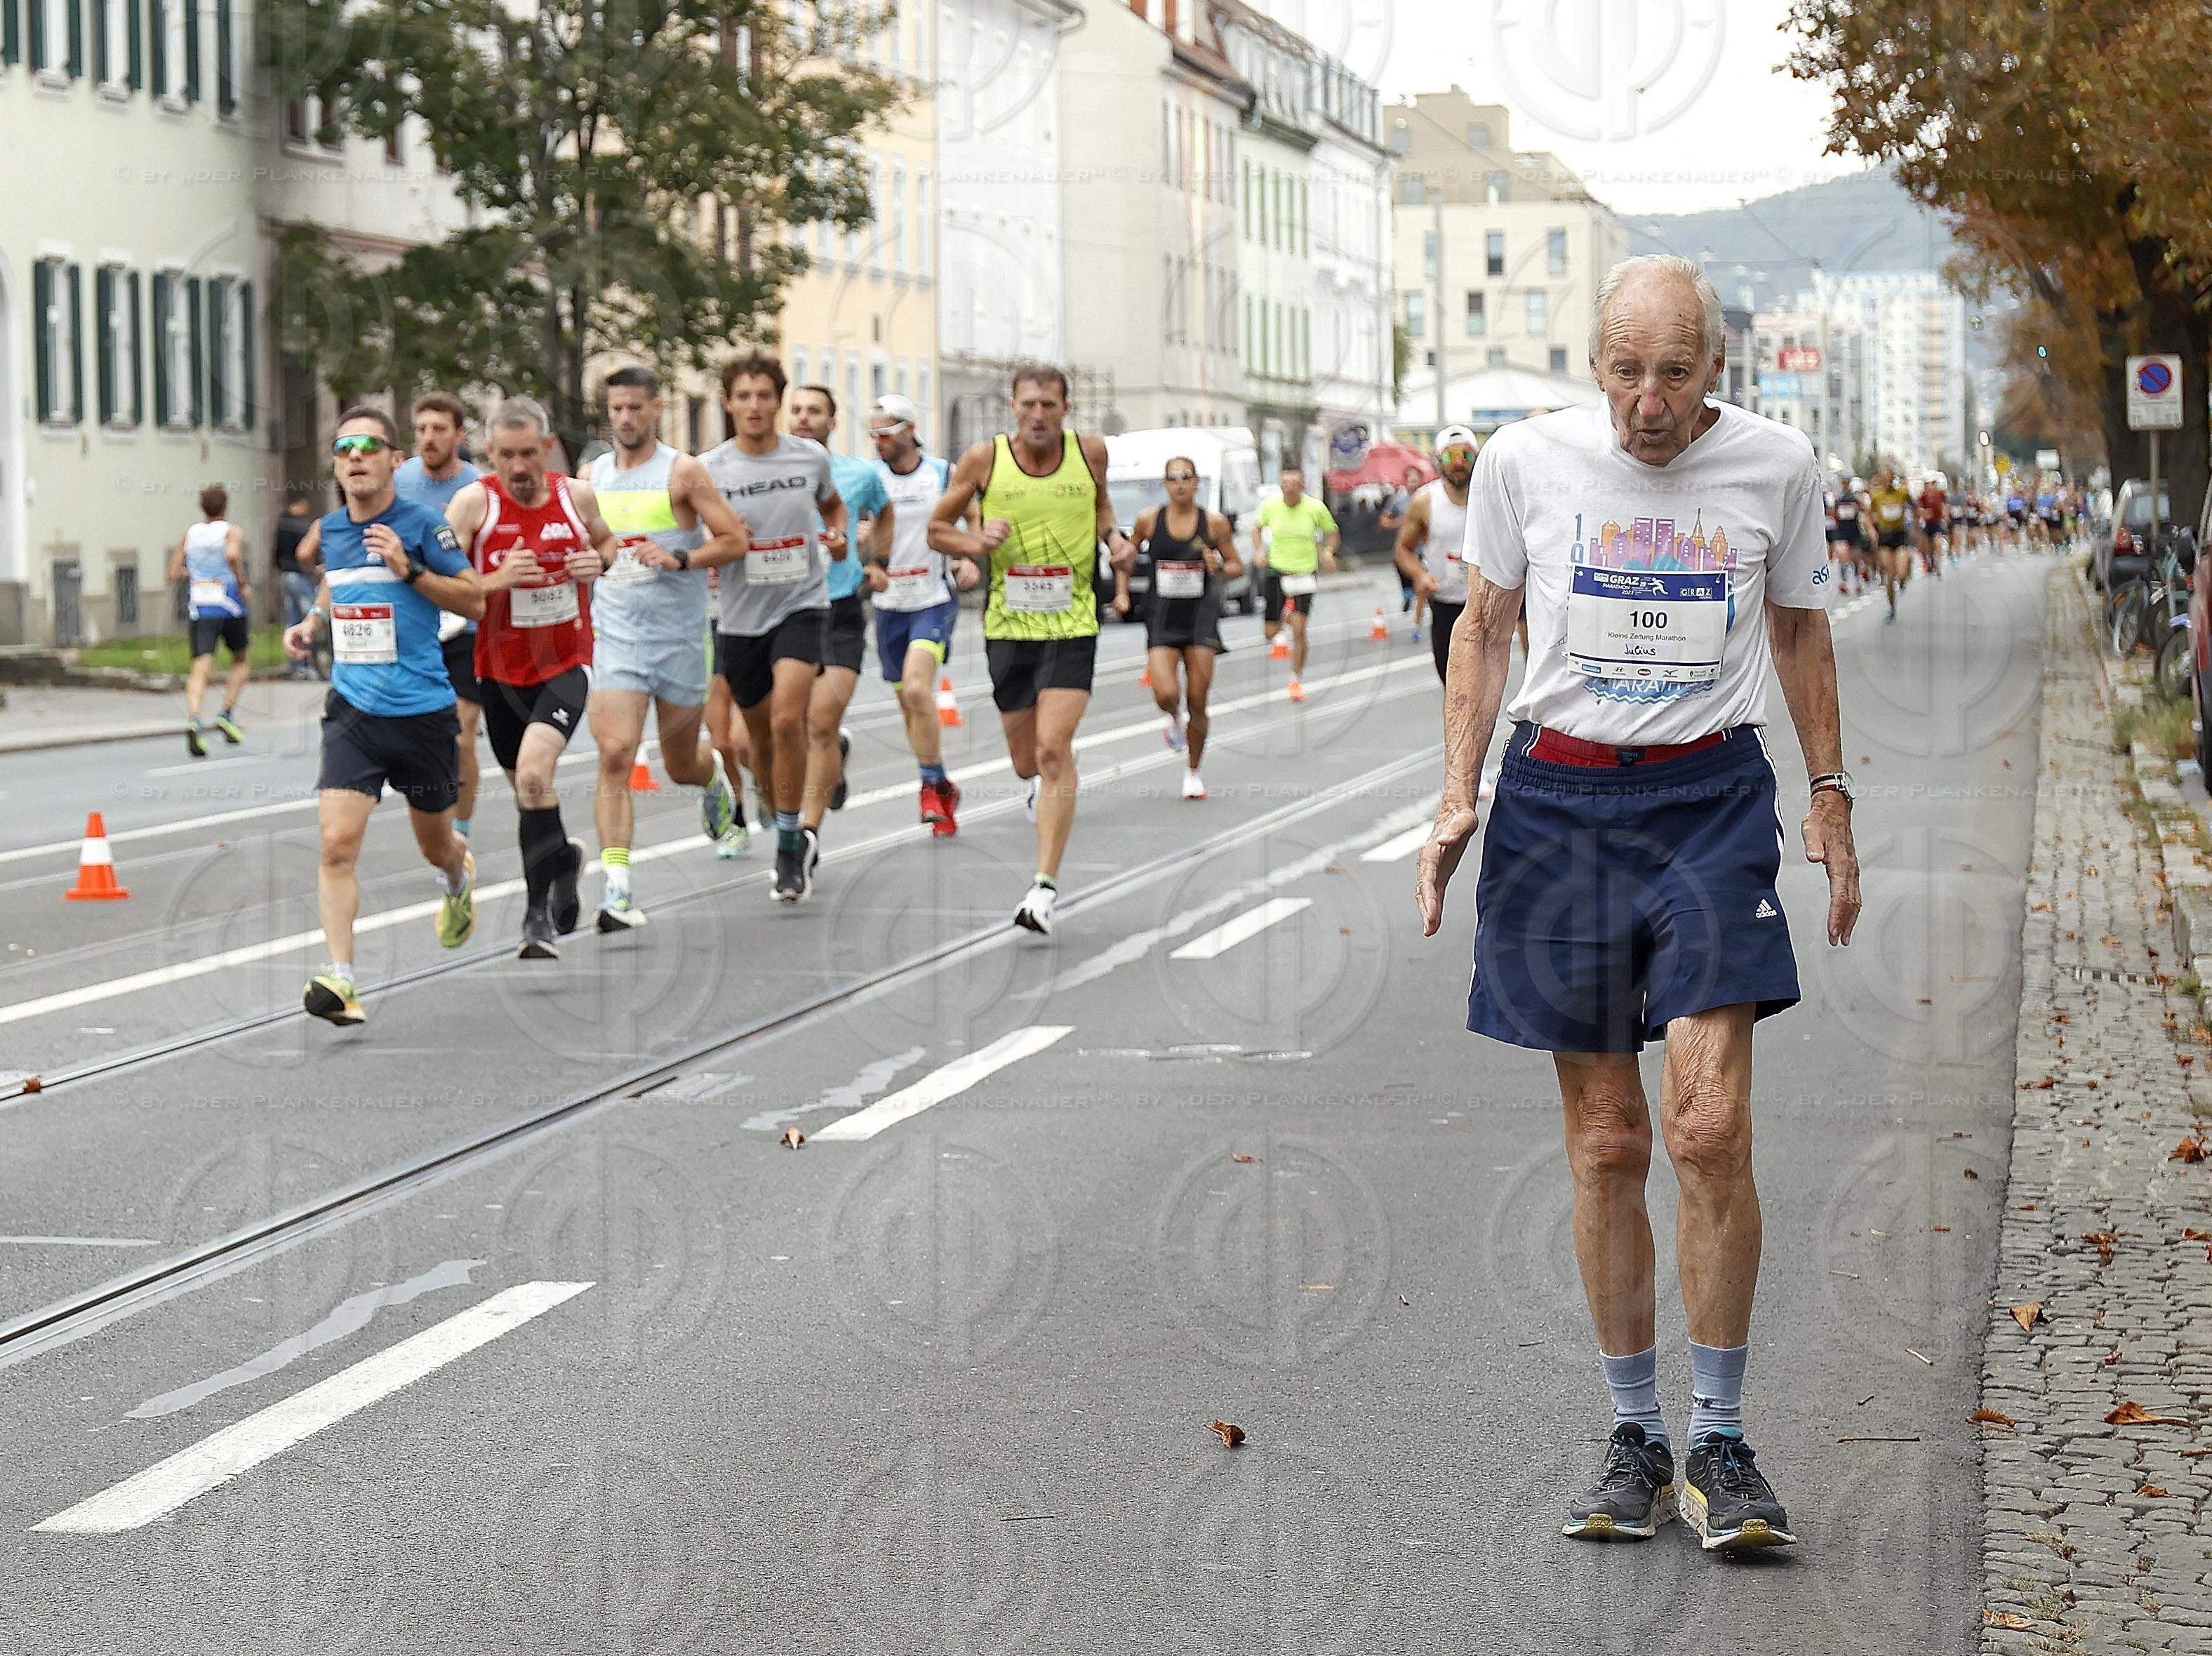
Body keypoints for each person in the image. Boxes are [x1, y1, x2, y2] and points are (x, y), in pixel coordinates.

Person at [1418, 254, 1862, 1555]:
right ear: (1592, 363)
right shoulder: (1520, 463)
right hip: (1556, 805)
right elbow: (1484, 630)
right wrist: (1458, 791)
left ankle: (1720, 1438)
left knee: (1708, 1125)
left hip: (1709, 802)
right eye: (1624, 371)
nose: (1647, 403)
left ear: (1713, 368)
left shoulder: (1775, 465)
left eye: (1673, 374)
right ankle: (1632, 1433)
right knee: (1610, 1139)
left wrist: (1827, 797)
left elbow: (1798, 633)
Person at [283, 408, 482, 1025]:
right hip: (353, 711)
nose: (356, 456)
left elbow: (474, 596)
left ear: (395, 460)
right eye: (345, 448)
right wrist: (313, 622)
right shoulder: (333, 530)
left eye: (370, 445)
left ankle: (458, 876)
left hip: (422, 712)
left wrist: (412, 569)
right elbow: (335, 584)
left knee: (436, 848)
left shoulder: (426, 526)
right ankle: (341, 978)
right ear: (337, 464)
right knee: (337, 844)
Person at [928, 363, 1136, 933]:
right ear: (1013, 408)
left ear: (1066, 409)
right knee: (1026, 762)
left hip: (1072, 623)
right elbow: (936, 529)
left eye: (1049, 405)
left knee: (1051, 750)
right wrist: (974, 542)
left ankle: (1042, 889)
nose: (1039, 415)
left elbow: (1101, 509)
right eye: (1029, 405)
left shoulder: (1089, 452)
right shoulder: (983, 460)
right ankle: (1045, 788)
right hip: (1009, 626)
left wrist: (1116, 541)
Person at [446, 398, 614, 959]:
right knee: (528, 791)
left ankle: (534, 915)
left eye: (528, 454)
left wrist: (600, 561)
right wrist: (494, 581)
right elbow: (445, 582)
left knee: (535, 776)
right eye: (506, 455)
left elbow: (606, 541)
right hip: (497, 670)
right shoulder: (473, 504)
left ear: (547, 449)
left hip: (565, 663)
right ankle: (562, 859)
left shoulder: (577, 496)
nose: (519, 467)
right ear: (490, 454)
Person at [583, 366, 751, 930]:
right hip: (616, 639)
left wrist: (681, 558)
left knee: (680, 766)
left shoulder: (683, 471)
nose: (625, 419)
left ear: (657, 409)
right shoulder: (592, 477)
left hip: (678, 641)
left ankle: (714, 781)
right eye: (616, 410)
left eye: (636, 408)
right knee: (615, 754)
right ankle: (617, 889)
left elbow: (733, 540)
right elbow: (584, 546)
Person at [700, 354, 848, 904]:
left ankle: (791, 846)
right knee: (755, 743)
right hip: (739, 616)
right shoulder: (709, 468)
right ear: (728, 402)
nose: (756, 406)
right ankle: (778, 807)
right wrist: (717, 539)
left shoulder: (809, 457)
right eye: (745, 396)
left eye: (765, 396)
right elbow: (689, 532)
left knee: (790, 720)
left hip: (802, 604)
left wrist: (837, 538)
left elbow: (834, 510)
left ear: (778, 401)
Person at [787, 383, 892, 862]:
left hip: (841, 609)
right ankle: (830, 764)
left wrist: (875, 558)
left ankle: (806, 837)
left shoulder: (859, 474)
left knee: (820, 722)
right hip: (784, 610)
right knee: (781, 730)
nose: (803, 418)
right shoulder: (771, 473)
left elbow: (885, 512)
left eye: (815, 412)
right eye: (797, 411)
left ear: (832, 423)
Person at [867, 392, 973, 833]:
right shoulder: (870, 479)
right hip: (889, 604)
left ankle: (930, 785)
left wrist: (969, 556)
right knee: (909, 708)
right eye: (872, 434)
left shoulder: (942, 474)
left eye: (885, 433)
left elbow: (973, 516)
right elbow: (852, 528)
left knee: (916, 690)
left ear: (910, 430)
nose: (878, 442)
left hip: (932, 599)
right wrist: (867, 559)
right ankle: (942, 783)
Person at [1116, 455, 1242, 800]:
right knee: (1167, 693)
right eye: (1173, 478)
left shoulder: (1213, 524)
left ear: (1197, 482)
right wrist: (1122, 592)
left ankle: (1193, 771)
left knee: (1198, 700)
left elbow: (1237, 566)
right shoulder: (1150, 521)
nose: (1180, 484)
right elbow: (1125, 558)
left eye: (1186, 477)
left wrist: (1219, 566)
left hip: (1201, 618)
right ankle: (1173, 717)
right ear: (1165, 484)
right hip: (1162, 617)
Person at [169, 486, 253, 757]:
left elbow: (173, 572)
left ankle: (194, 718)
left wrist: (195, 574)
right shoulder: (232, 531)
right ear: (225, 507)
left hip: (201, 606)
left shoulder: (190, 533)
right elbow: (231, 555)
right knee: (241, 660)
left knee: (200, 665)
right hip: (229, 603)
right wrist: (241, 581)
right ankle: (226, 713)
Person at [1394, 427, 1477, 685]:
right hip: (1444, 603)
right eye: (1451, 457)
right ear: (1439, 460)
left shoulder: (1492, 496)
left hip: (1483, 604)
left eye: (1466, 455)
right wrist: (1420, 575)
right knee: (1451, 683)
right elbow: (1403, 549)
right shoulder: (1425, 500)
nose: (1459, 463)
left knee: (1478, 685)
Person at [1252, 463, 1339, 702]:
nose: (1289, 489)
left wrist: (1329, 552)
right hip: (1277, 571)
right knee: (1271, 631)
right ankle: (1284, 619)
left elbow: (1332, 532)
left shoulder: (1314, 508)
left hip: (1303, 574)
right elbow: (1256, 529)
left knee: (1300, 629)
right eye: (1285, 485)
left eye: (1294, 485)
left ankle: (1296, 679)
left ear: (1302, 486)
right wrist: (1259, 550)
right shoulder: (1270, 506)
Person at [274, 493, 323, 680]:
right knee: (309, 617)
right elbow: (305, 554)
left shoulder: (281, 524)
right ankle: (307, 663)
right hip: (300, 575)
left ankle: (295, 665)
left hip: (286, 575)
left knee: (293, 618)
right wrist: (312, 571)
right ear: (300, 504)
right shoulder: (299, 526)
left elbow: (276, 553)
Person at [1867, 466, 1915, 624]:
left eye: (1890, 479)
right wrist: (1872, 531)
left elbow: (1915, 507)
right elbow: (1867, 515)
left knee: (1901, 571)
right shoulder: (1876, 496)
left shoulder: (1902, 493)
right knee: (1890, 574)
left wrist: (1914, 525)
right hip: (1885, 537)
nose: (1887, 482)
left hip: (1900, 535)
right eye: (1884, 479)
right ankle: (1892, 609)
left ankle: (1904, 577)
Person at [1379, 464, 1422, 634]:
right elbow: (1384, 521)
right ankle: (1406, 594)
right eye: (1410, 478)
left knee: (1421, 586)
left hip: (1423, 548)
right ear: (1405, 481)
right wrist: (1398, 522)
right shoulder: (1398, 500)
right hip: (1404, 547)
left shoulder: (1427, 497)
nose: (1413, 482)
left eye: (1416, 478)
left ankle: (1416, 625)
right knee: (1404, 574)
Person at [1915, 474, 1950, 576]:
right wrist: (1923, 513)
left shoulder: (1941, 495)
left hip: (1936, 522)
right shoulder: (1923, 496)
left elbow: (1945, 505)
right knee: (1927, 546)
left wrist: (1945, 515)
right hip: (1926, 523)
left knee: (1938, 542)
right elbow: (1917, 508)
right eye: (1931, 484)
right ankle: (1928, 561)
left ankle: (1938, 565)